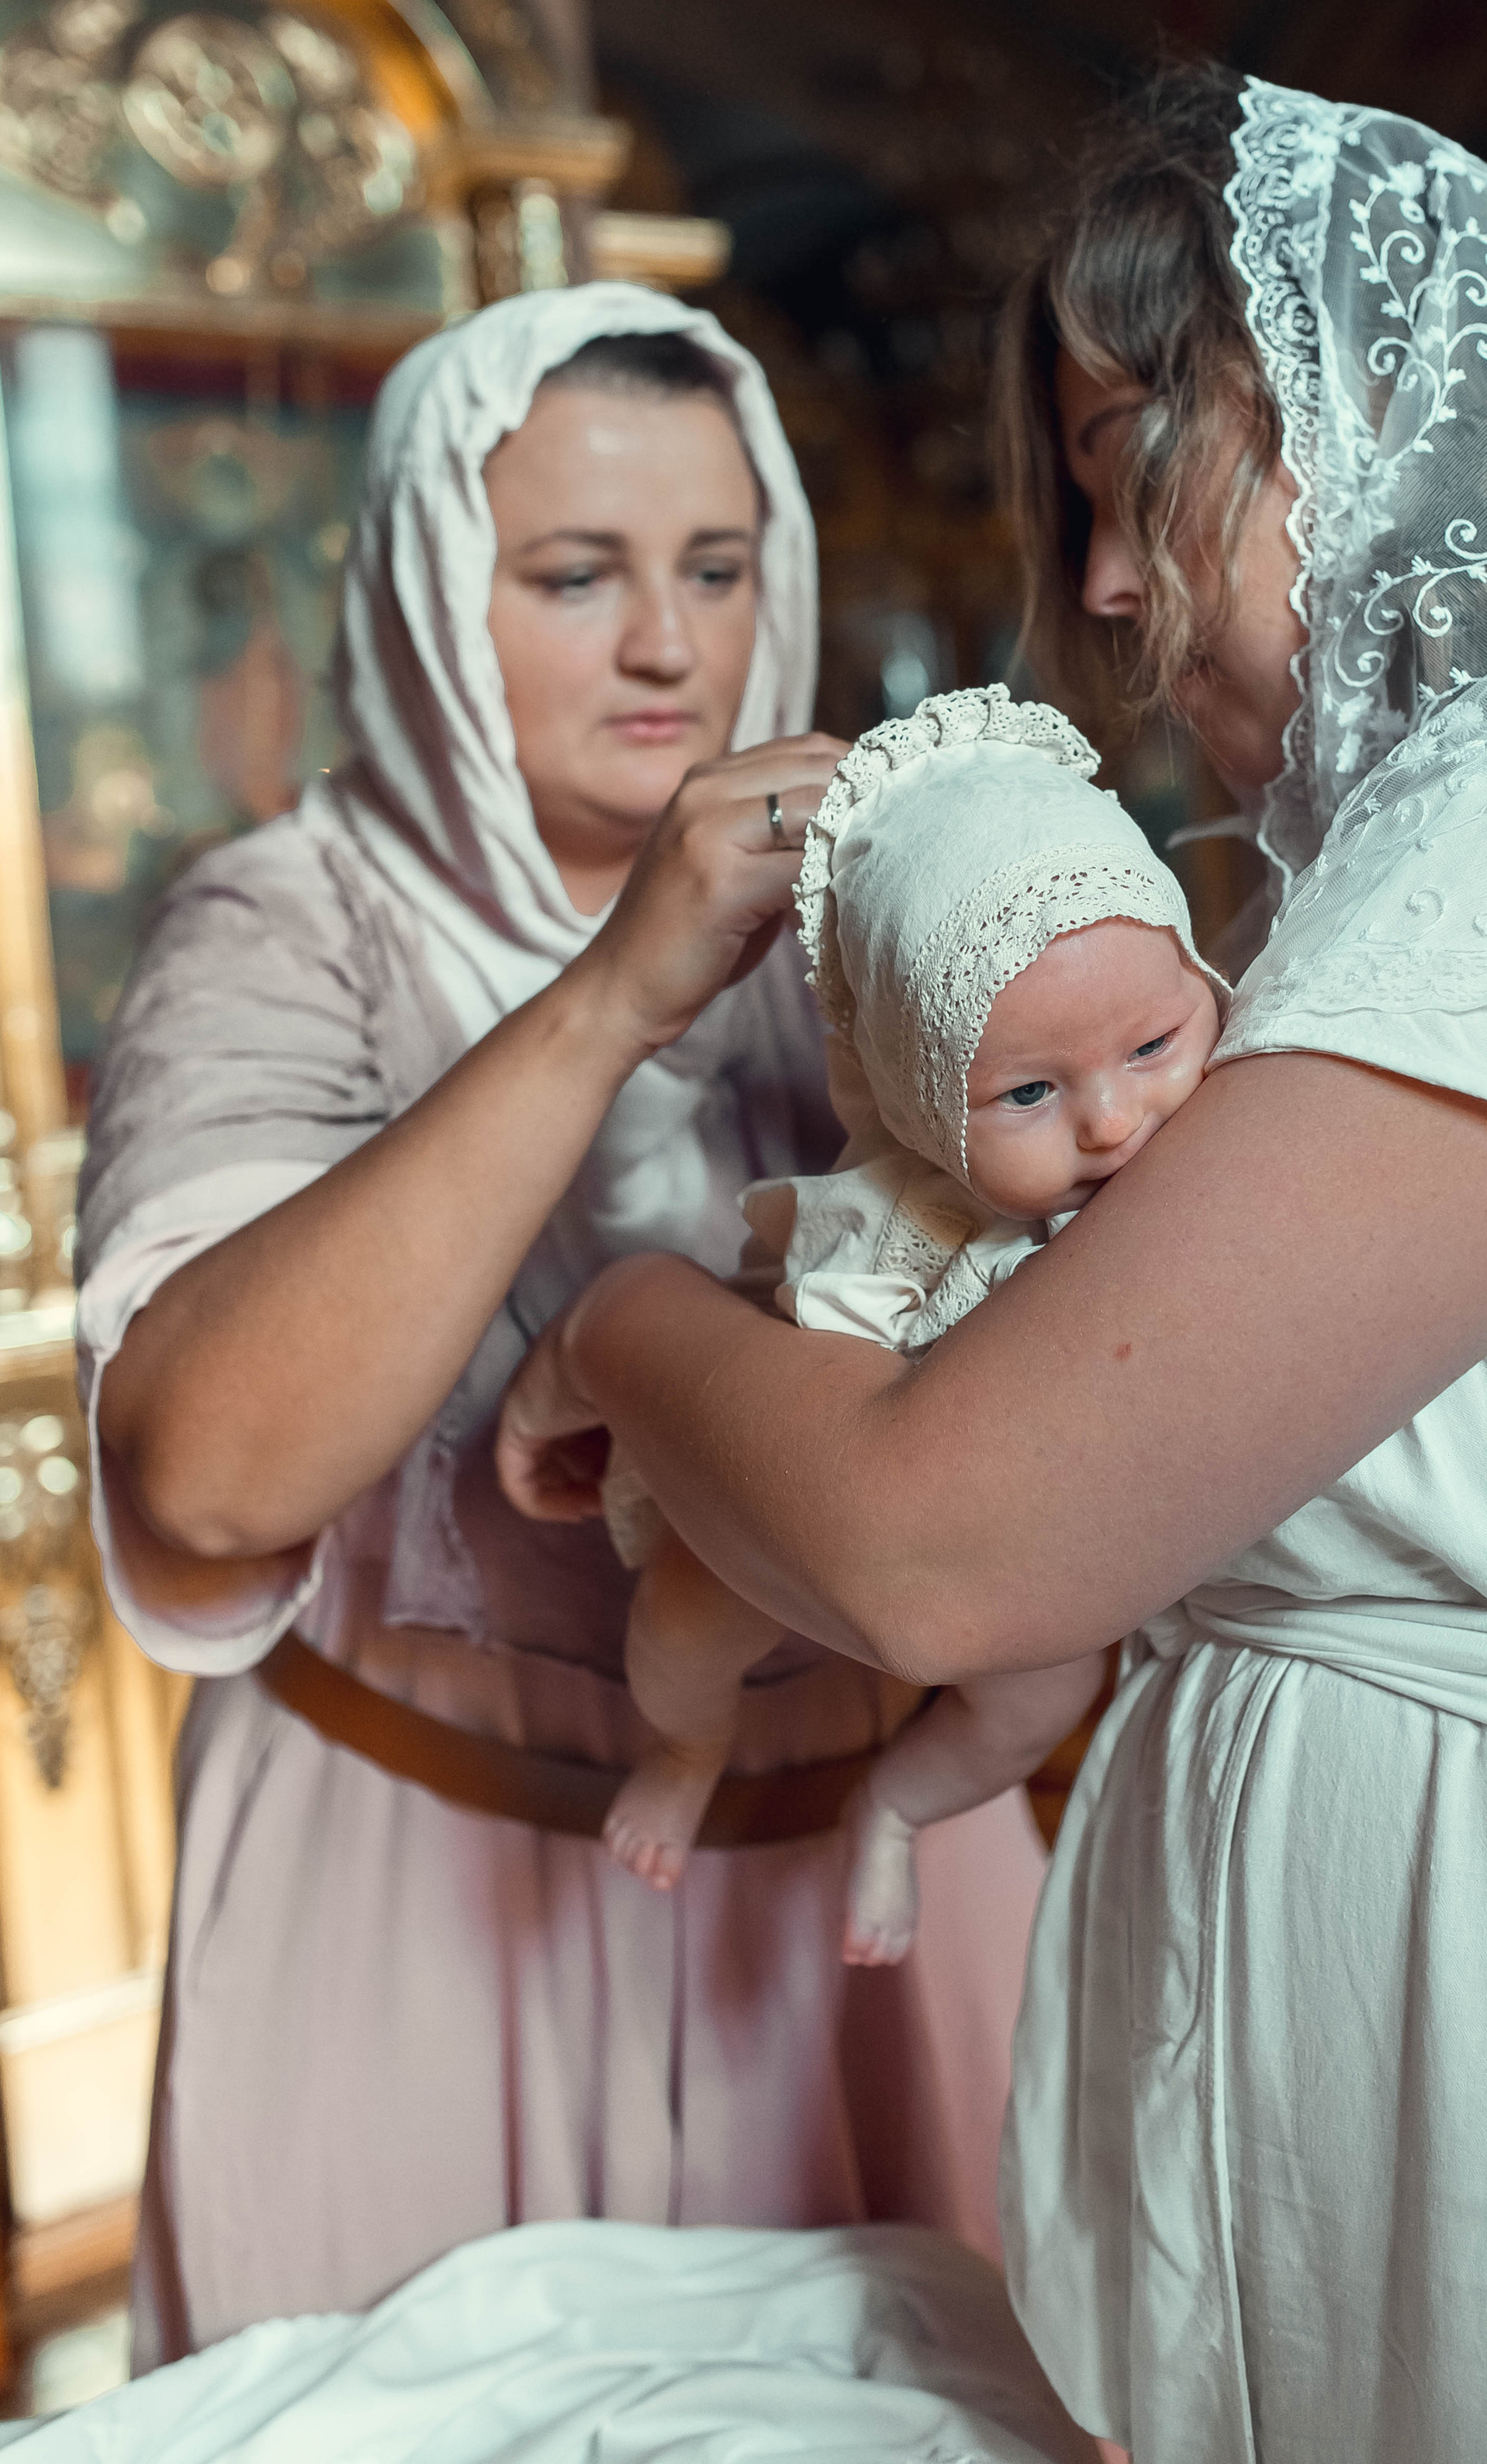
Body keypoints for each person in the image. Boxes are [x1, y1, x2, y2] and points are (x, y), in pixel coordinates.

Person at [495, 85, 1487, 2464]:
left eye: (1123, 465)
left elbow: (946, 1542)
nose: (1092, 586)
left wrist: (617, 1326)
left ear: (1359, 421)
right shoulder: (1482, 818)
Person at [77, 284, 1046, 2370]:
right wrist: (612, 997)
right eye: (573, 576)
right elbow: (211, 1467)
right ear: (433, 588)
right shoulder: (287, 921)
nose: (669, 648)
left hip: (866, 1904)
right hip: (434, 1903)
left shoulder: (879, 906)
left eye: (716, 569)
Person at [501, 683, 1223, 1957]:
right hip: (835, 1508)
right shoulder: (895, 1226)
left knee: (1039, 1696)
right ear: (920, 1103)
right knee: (686, 1616)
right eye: (1030, 1092)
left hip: (1046, 1551)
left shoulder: (1226, 1138)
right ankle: (688, 1738)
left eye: (1154, 1044)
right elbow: (816, 1427)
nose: (1112, 1120)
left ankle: (893, 1806)